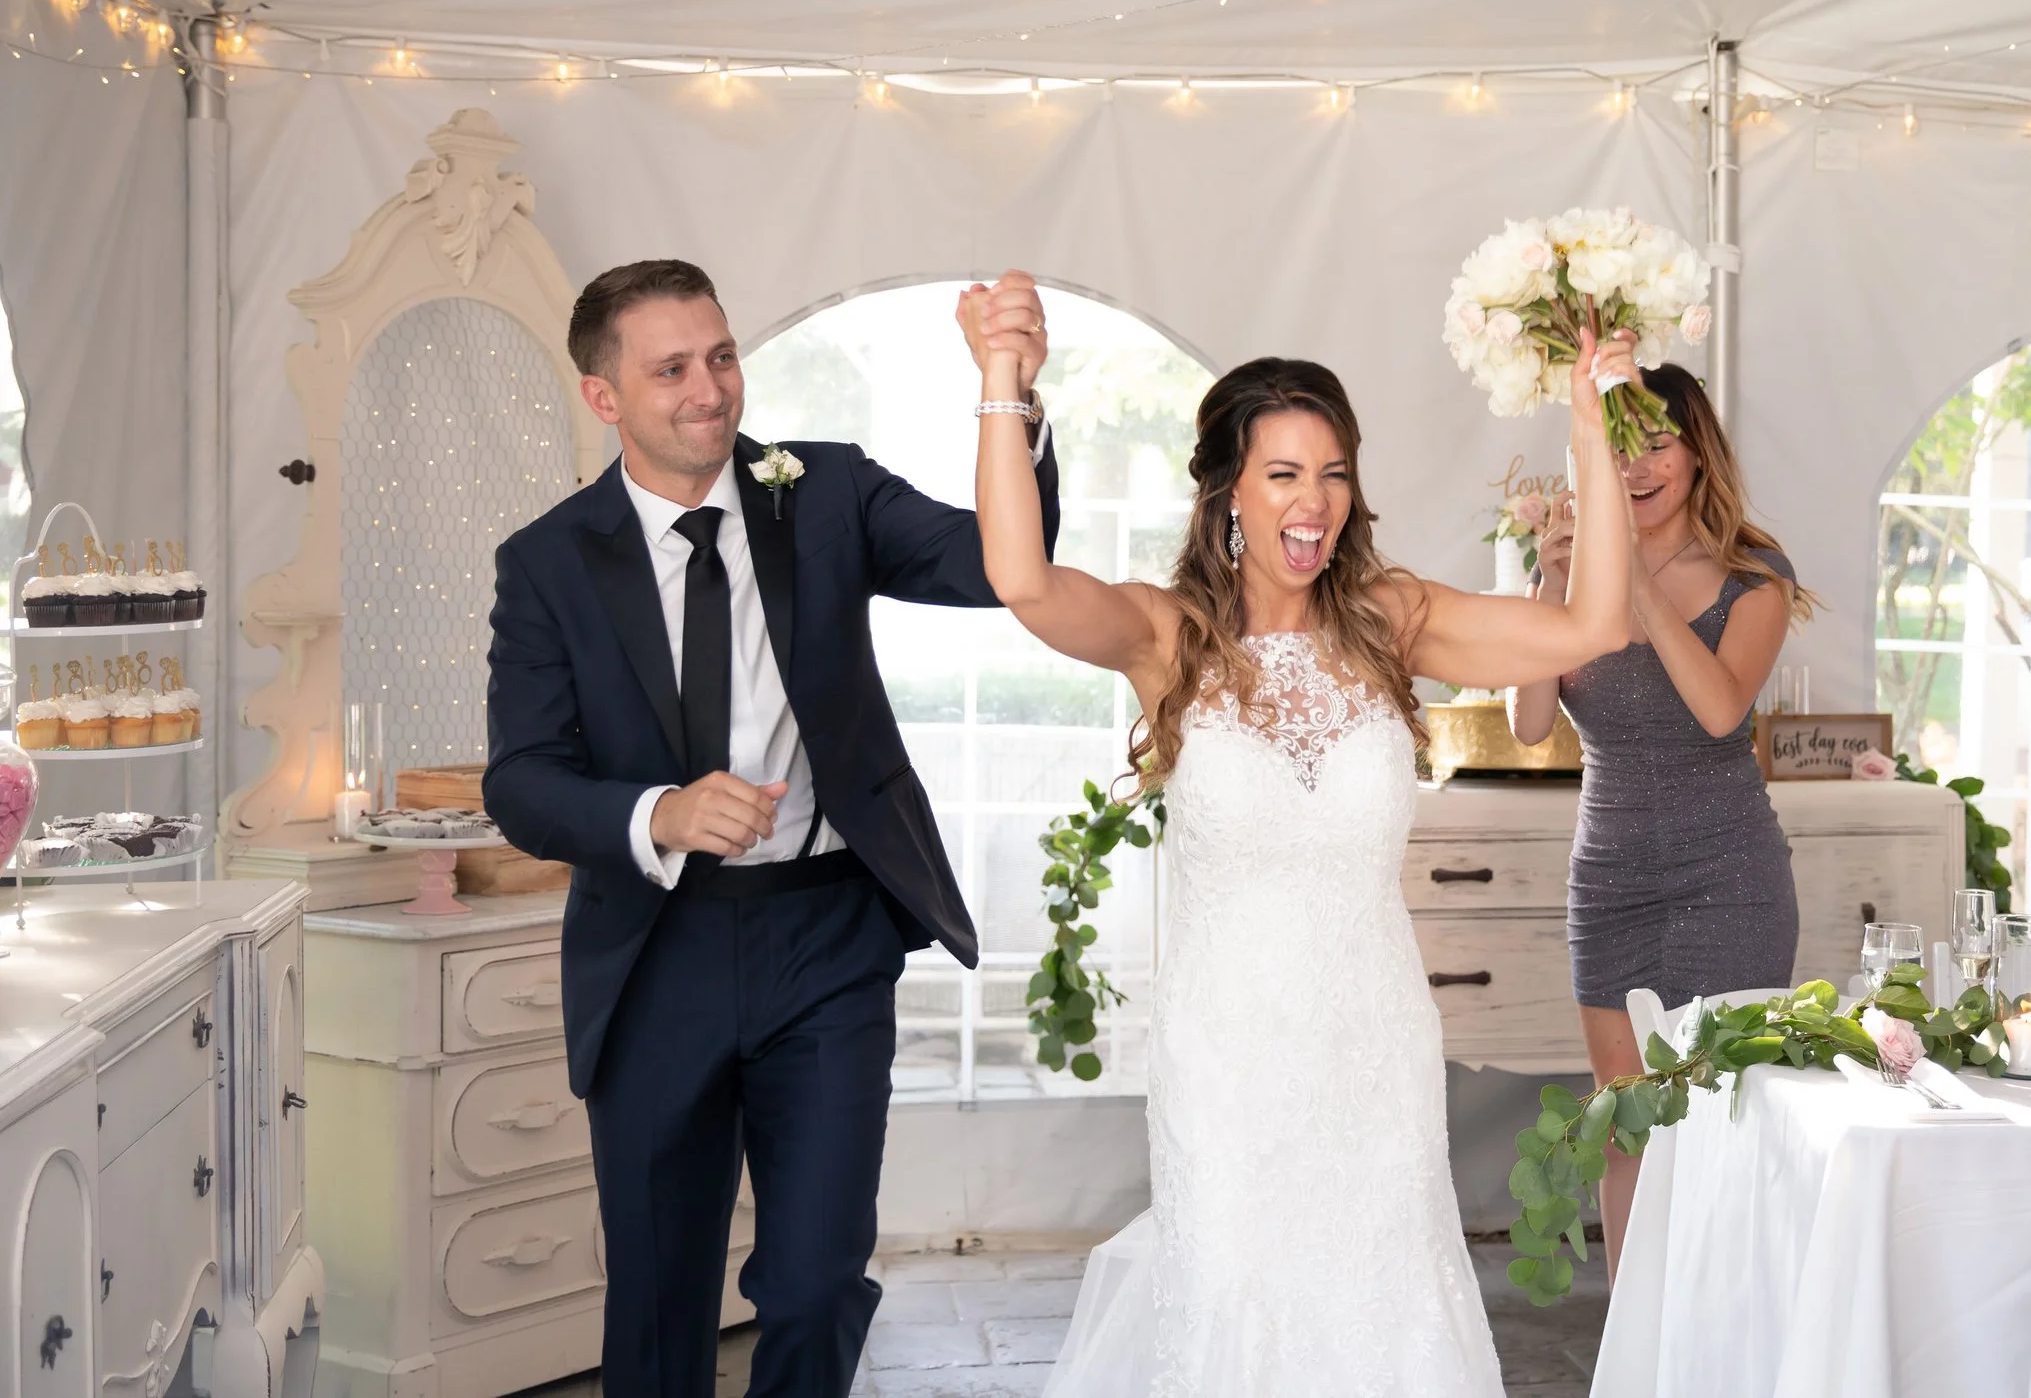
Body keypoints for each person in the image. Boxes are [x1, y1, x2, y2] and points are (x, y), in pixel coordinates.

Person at [959, 272, 1640, 1395]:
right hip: (1226, 1055)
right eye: (1282, 473)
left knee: (1381, 1310)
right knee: (1238, 1305)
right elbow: (1020, 579)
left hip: (1374, 1045)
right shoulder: (1167, 636)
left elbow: (1594, 624)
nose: (1312, 498)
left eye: (1332, 472)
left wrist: (1588, 430)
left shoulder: (1392, 620)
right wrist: (1002, 377)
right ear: (1228, 491)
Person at [482, 259, 1060, 1398]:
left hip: (827, 938)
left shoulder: (826, 490)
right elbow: (523, 781)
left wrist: (1010, 391)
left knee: (815, 1284)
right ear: (604, 397)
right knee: (660, 1306)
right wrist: (659, 811)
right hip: (657, 952)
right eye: (671, 370)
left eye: (721, 355)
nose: (710, 388)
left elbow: (1000, 568)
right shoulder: (547, 562)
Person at [1508, 361, 1811, 1278]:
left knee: (1719, 1120)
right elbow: (1529, 723)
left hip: (1731, 881)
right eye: (1618, 448)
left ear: (1698, 452)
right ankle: (1632, 1343)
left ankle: (1717, 1335)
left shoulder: (1753, 578)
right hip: (1610, 881)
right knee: (1622, 1121)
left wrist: (1632, 580)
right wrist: (1552, 588)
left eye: (1658, 443)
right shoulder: (1573, 574)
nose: (1637, 466)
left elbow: (1720, 710)